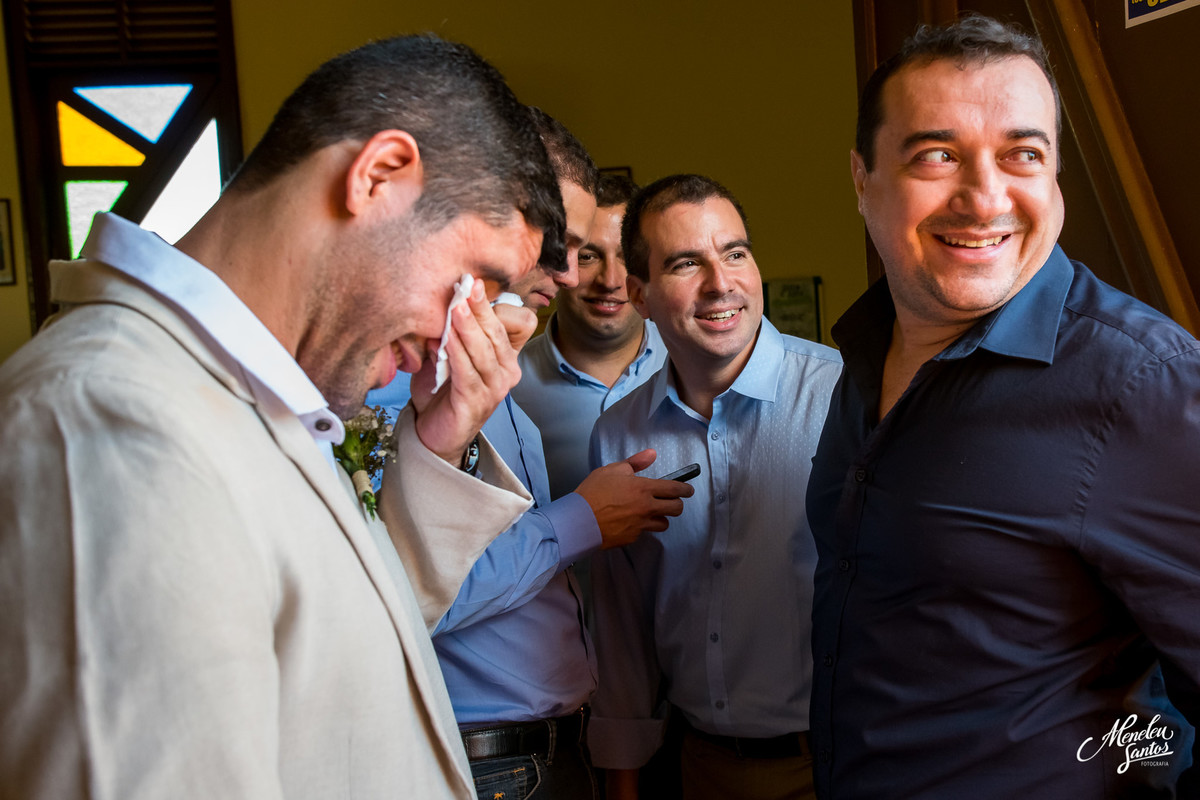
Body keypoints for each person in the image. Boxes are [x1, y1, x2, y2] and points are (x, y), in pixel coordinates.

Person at [0, 35, 568, 800]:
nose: (462, 329)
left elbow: (343, 642)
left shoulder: (251, 397)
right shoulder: (112, 428)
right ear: (380, 176)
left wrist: (439, 441)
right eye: (475, 279)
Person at [806, 14, 1200, 798]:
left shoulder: (1144, 385)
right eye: (938, 156)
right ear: (862, 179)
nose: (985, 198)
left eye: (1023, 155)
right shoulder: (858, 356)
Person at [368, 109, 694, 800]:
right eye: (559, 241)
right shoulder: (406, 378)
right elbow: (416, 590)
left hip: (555, 746)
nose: (574, 274)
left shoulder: (491, 369)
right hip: (487, 756)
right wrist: (582, 520)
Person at [587, 174, 843, 800]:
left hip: (841, 765)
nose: (721, 283)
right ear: (640, 295)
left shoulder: (844, 396)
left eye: (735, 253)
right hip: (695, 768)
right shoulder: (619, 435)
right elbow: (622, 630)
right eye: (686, 263)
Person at [513, 171, 667, 502]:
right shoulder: (506, 382)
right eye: (588, 256)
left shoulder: (694, 366)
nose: (610, 280)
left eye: (626, 256)